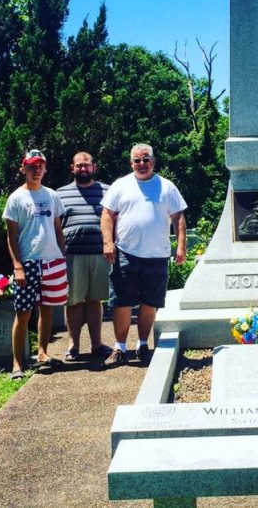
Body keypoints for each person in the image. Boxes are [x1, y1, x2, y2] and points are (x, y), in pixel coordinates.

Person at [100, 143, 187, 367]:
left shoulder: (167, 187)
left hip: (157, 256)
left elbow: (178, 218)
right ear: (131, 163)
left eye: (145, 159)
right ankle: (120, 349)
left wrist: (181, 246)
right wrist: (108, 242)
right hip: (126, 253)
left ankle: (142, 345)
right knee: (122, 302)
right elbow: (108, 214)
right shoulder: (121, 185)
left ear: (153, 162)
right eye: (137, 160)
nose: (141, 164)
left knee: (150, 303)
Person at [3, 148, 68, 379]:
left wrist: (62, 256)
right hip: (28, 262)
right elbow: (11, 237)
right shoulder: (16, 198)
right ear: (23, 168)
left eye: (40, 166)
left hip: (52, 261)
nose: (36, 170)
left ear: (45, 168)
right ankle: (17, 364)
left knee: (48, 309)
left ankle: (42, 353)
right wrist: (17, 266)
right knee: (23, 313)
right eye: (31, 166)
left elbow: (58, 228)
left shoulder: (51, 195)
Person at [57, 151, 112, 361]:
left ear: (94, 167)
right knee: (73, 301)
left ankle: (97, 344)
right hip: (72, 255)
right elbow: (56, 224)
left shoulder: (108, 191)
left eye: (86, 165)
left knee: (94, 300)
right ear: (72, 168)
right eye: (79, 165)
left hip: (100, 254)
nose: (83, 169)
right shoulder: (60, 194)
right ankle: (73, 345)